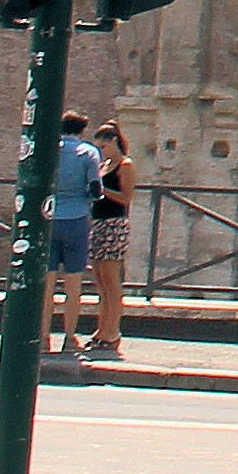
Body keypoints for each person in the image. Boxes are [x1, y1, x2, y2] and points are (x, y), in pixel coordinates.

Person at [40, 119, 105, 356]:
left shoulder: (49, 150)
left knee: (47, 284)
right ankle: (69, 337)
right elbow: (96, 190)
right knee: (73, 283)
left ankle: (44, 337)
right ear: (81, 130)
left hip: (50, 219)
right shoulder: (88, 153)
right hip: (76, 220)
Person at [81, 118, 138, 358]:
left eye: (103, 147)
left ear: (113, 141)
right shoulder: (103, 166)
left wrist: (103, 190)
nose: (100, 151)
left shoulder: (125, 165)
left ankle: (112, 332)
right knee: (100, 280)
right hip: (98, 223)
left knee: (112, 282)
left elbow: (126, 198)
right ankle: (101, 330)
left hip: (115, 224)